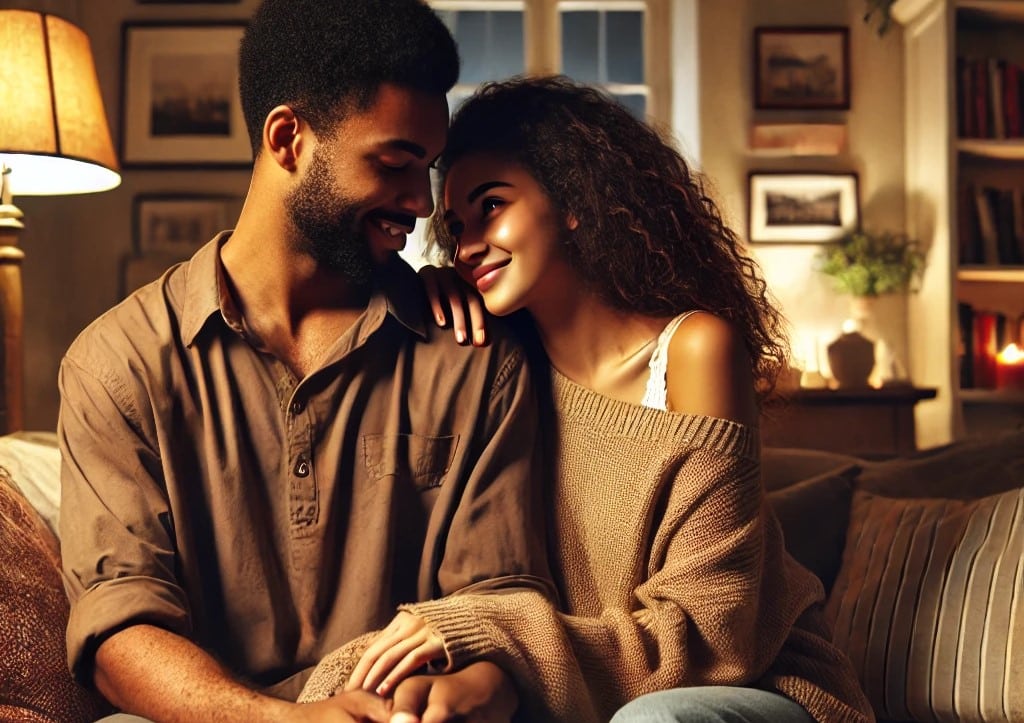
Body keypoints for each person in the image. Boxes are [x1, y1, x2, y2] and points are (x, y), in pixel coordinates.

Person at [301, 76, 874, 723]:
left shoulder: (693, 351)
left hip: (757, 688)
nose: (466, 247)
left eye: (491, 207)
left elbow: (713, 634)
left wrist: (490, 632)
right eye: (455, 228)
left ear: (574, 199)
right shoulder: (498, 370)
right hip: (583, 696)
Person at [56, 3, 559, 721]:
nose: (420, 203)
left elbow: (499, 606)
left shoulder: (472, 354)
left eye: (427, 168)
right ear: (287, 137)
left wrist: (465, 691)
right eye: (393, 164)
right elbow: (120, 630)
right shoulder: (118, 364)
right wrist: (285, 721)